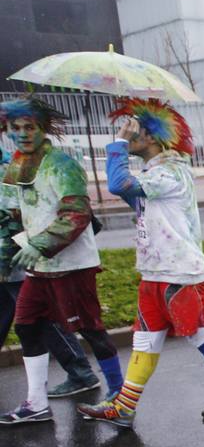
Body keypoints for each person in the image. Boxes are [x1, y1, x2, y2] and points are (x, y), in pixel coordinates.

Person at [77, 99, 204, 428]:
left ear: (153, 137)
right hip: (155, 272)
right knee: (145, 339)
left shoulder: (171, 172)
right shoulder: (155, 174)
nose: (129, 135)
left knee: (202, 336)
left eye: (135, 130)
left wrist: (116, 144)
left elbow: (118, 184)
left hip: (181, 274)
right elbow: (134, 197)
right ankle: (125, 408)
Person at [0, 97, 123, 425]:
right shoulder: (16, 163)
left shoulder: (61, 164)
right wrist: (5, 256)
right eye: (16, 129)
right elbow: (13, 214)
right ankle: (35, 403)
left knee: (90, 329)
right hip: (37, 268)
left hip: (72, 266)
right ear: (7, 130)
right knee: (26, 326)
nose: (23, 134)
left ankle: (119, 395)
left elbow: (76, 213)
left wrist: (41, 244)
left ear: (42, 129)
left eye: (30, 127)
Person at [0, 146, 99, 400]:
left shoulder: (15, 170)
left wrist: (9, 256)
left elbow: (13, 217)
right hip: (16, 255)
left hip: (21, 256)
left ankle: (80, 372)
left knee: (40, 318)